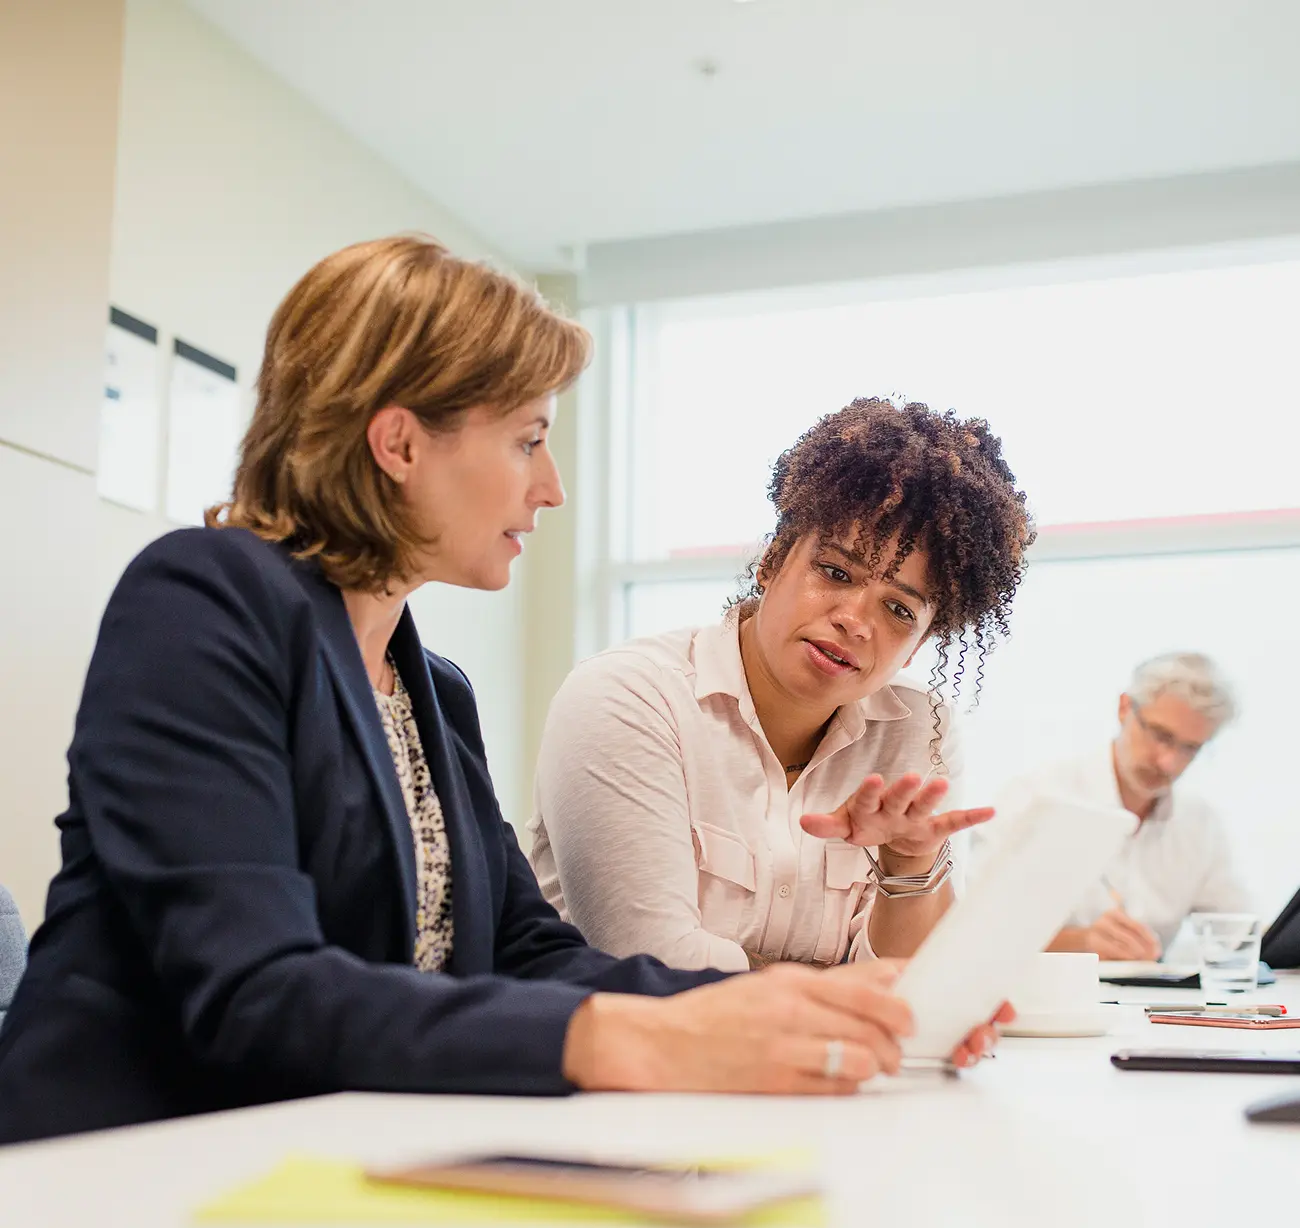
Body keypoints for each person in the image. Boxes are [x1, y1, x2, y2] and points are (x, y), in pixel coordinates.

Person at [0, 238, 1003, 1145]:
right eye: (528, 439)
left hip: (326, 1159)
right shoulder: (203, 598)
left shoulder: (430, 687)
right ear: (398, 445)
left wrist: (801, 1013)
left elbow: (523, 950)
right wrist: (640, 1037)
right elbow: (253, 991)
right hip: (129, 1169)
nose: (552, 486)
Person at [529, 398, 1036, 971]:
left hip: (836, 1061)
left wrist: (910, 866)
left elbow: (922, 986)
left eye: (897, 610)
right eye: (836, 573)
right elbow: (653, 963)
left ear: (918, 645)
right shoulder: (627, 698)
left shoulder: (920, 732)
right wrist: (846, 990)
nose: (855, 620)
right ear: (772, 560)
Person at [991, 653, 1249, 961]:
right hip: (1047, 1000)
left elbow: (1238, 931)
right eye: (1160, 735)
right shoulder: (1037, 797)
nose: (1169, 762)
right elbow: (981, 935)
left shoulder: (1198, 823)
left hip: (1154, 1004)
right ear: (1124, 707)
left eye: (1190, 748)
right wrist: (1081, 942)